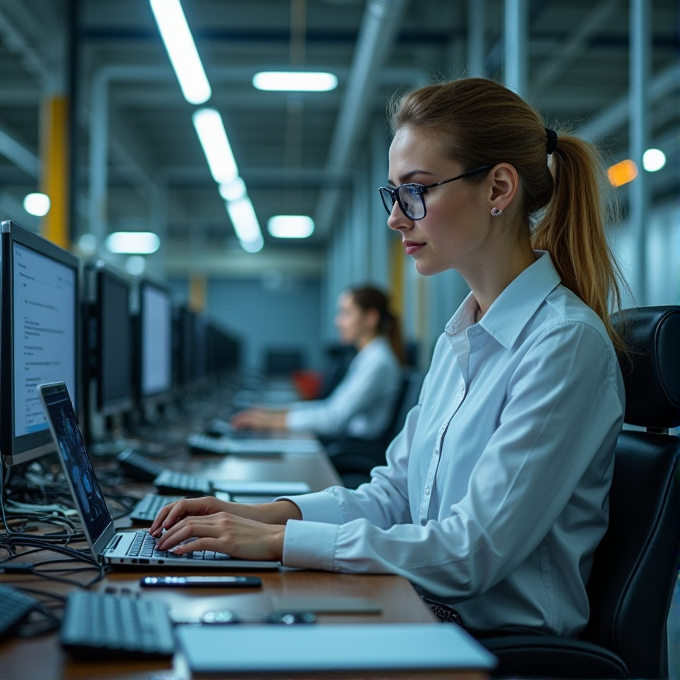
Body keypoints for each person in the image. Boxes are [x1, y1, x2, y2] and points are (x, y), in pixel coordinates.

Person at [151, 78, 628, 638]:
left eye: (416, 191)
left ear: (498, 188)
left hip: (491, 643)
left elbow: (471, 552)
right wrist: (257, 515)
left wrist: (278, 542)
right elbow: (395, 495)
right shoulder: (464, 335)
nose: (396, 217)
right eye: (393, 194)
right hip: (419, 605)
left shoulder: (563, 344)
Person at [230, 285, 403, 443]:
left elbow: (333, 419)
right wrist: (273, 414)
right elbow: (330, 408)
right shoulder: (368, 357)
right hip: (346, 441)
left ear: (370, 318)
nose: (338, 322)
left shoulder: (378, 363)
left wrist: (272, 421)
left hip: (354, 447)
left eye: (346, 313)